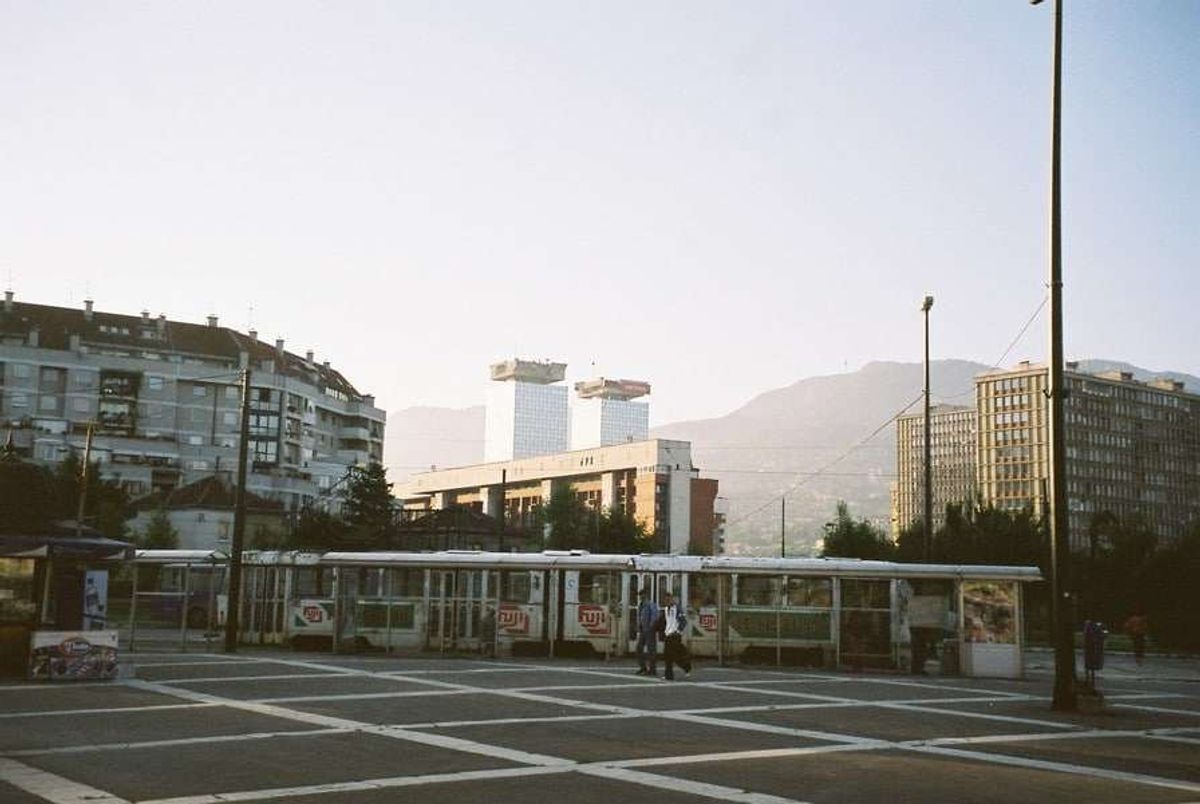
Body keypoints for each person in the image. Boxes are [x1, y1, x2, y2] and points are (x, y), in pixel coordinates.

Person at [661, 591, 692, 681]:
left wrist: (678, 631)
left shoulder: (677, 609)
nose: (667, 602)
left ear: (671, 599)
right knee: (668, 656)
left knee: (673, 655)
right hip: (668, 634)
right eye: (666, 600)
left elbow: (683, 621)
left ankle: (685, 667)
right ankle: (669, 674)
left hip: (675, 635)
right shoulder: (666, 609)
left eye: (668, 600)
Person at [635, 588, 659, 676]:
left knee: (651, 650)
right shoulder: (641, 605)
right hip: (643, 630)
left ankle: (652, 669)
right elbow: (640, 617)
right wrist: (639, 626)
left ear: (645, 595)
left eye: (642, 595)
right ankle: (643, 667)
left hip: (649, 630)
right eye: (640, 595)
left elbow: (654, 616)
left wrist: (650, 626)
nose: (640, 596)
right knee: (639, 648)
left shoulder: (650, 604)